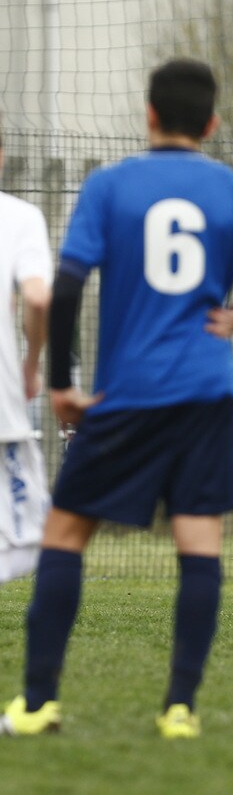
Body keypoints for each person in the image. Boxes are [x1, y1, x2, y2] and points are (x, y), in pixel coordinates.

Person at [0, 58, 233, 740]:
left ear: (149, 115)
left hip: (127, 394)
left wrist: (61, 385)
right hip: (206, 393)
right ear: (212, 123)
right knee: (199, 545)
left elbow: (67, 285)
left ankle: (39, 702)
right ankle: (179, 710)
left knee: (65, 537)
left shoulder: (110, 186)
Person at [0, 130, 53, 585]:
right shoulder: (18, 217)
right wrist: (32, 365)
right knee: (29, 538)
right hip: (3, 405)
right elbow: (37, 297)